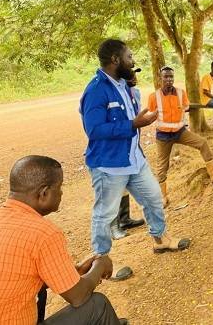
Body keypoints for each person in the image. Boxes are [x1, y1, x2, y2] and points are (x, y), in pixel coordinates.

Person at [0, 155, 126, 324]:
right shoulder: (43, 232)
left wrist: (76, 270)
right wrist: (100, 265)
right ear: (44, 193)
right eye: (59, 187)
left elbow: (9, 275)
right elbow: (78, 296)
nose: (62, 192)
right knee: (97, 306)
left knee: (40, 290)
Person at [80, 39, 191, 280]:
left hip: (134, 160)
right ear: (115, 60)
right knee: (105, 214)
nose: (133, 61)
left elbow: (132, 116)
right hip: (109, 165)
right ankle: (102, 263)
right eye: (130, 57)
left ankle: (160, 239)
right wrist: (132, 124)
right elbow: (94, 130)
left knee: (153, 199)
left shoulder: (124, 85)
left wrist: (138, 122)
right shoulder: (96, 91)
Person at [148, 66, 213, 204]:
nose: (169, 79)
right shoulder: (154, 96)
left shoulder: (181, 93)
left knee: (202, 143)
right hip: (163, 136)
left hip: (181, 132)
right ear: (161, 78)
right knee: (162, 166)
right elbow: (151, 113)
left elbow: (186, 107)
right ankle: (162, 196)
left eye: (171, 76)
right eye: (166, 77)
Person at [111, 73, 145, 240]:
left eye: (135, 75)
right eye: (129, 76)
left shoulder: (135, 93)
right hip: (114, 147)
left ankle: (124, 219)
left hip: (130, 143)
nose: (133, 78)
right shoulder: (110, 93)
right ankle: (113, 226)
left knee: (124, 183)